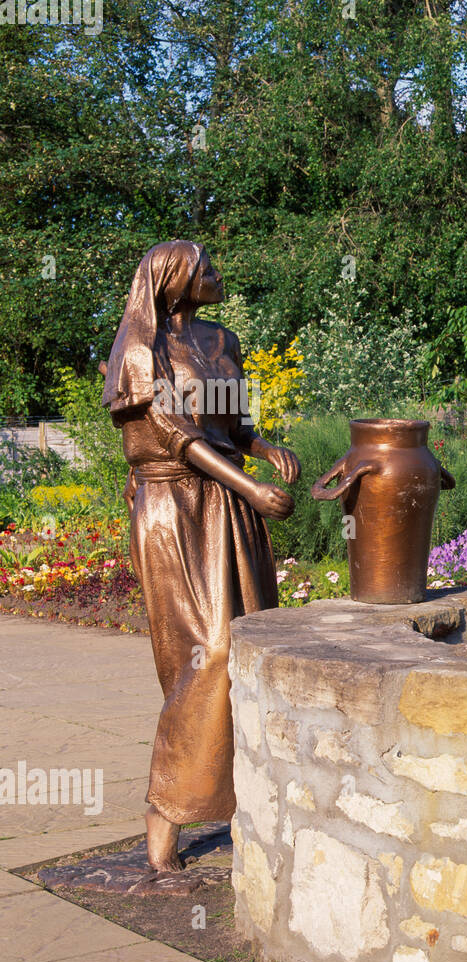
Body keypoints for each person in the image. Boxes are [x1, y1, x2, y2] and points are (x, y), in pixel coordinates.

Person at [101, 241, 300, 870]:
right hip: (171, 508)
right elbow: (176, 439)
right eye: (205, 269)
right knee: (203, 655)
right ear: (176, 281)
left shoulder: (223, 340)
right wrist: (252, 485)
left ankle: (243, 800)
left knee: (247, 645)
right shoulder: (142, 349)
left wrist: (265, 451)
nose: (216, 275)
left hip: (227, 507)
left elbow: (231, 426)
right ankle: (165, 813)